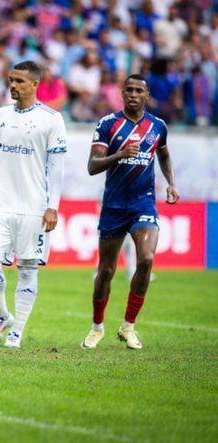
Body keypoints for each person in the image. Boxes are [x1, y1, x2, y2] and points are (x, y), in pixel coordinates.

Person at [81, 73, 179, 351]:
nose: (134, 94)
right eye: (130, 90)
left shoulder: (158, 126)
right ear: (122, 94)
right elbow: (93, 166)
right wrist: (119, 155)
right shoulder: (108, 125)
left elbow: (164, 154)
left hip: (143, 203)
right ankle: (97, 327)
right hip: (113, 205)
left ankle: (128, 326)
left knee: (146, 259)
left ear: (147, 95)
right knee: (106, 271)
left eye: (139, 90)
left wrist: (171, 184)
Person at [0, 60, 67, 349]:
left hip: (34, 207)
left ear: (34, 84)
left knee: (28, 268)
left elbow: (56, 167)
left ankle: (17, 330)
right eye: (11, 80)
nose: (12, 85)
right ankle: (3, 315)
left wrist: (52, 206)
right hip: (0, 205)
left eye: (18, 81)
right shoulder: (1, 114)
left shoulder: (51, 119)